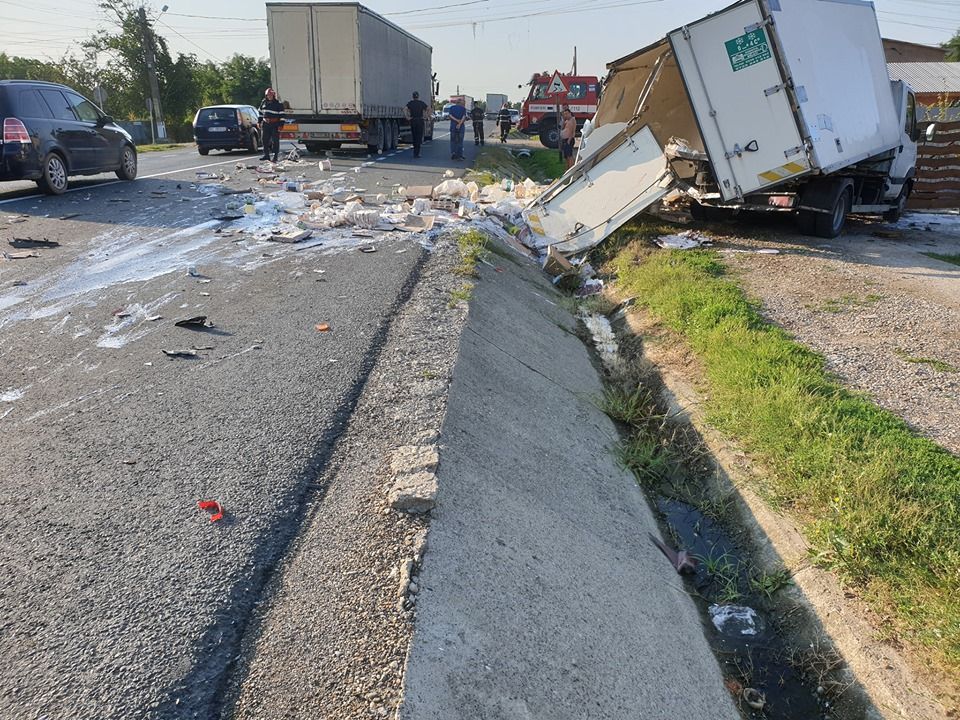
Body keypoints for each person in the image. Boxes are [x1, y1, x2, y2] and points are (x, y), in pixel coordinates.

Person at [258, 87, 285, 162]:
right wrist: (259, 122)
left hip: (275, 124)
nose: (269, 97)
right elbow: (260, 113)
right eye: (268, 95)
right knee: (264, 140)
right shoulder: (263, 102)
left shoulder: (278, 104)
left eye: (270, 95)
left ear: (273, 95)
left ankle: (275, 156)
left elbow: (282, 116)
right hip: (265, 124)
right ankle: (266, 155)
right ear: (266, 96)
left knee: (275, 141)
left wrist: (281, 125)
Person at [405, 91, 429, 158]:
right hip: (420, 120)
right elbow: (428, 109)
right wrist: (426, 116)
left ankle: (415, 150)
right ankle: (417, 153)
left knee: (414, 136)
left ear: (413, 97)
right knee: (419, 137)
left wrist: (407, 117)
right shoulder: (421, 103)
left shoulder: (411, 103)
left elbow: (405, 109)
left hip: (413, 120)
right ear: (418, 96)